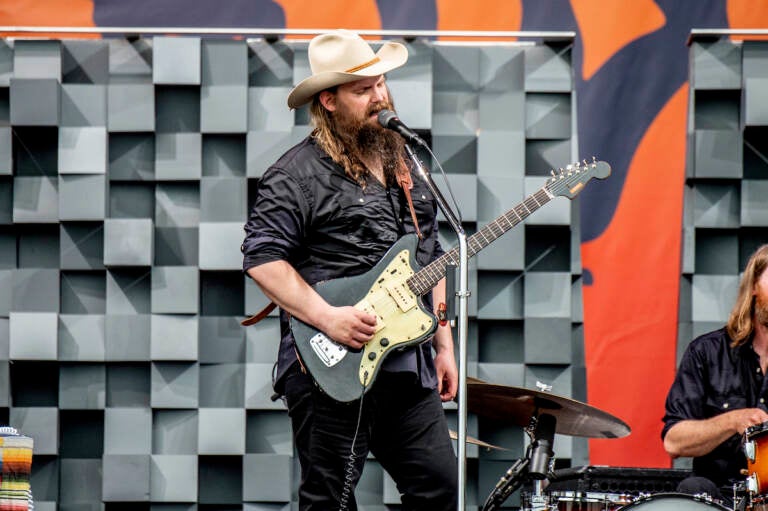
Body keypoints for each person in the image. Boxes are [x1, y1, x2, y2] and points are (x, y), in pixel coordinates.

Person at [241, 29, 458, 510]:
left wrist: (444, 343)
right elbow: (262, 259)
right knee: (331, 501)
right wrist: (328, 317)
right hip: (331, 365)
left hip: (407, 363)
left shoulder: (408, 163)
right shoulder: (294, 174)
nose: (379, 96)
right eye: (363, 90)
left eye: (380, 84)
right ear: (330, 101)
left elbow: (431, 254)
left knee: (439, 488)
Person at [662, 244, 768, 504]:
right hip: (718, 495)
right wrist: (733, 420)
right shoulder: (707, 352)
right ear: (753, 287)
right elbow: (674, 443)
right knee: (693, 487)